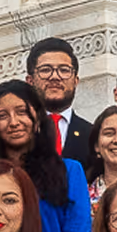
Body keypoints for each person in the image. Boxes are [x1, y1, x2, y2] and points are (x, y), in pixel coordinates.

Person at [0, 79, 92, 232]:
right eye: (3, 115)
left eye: (22, 112)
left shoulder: (69, 171)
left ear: (38, 118)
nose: (14, 122)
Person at [28, 38, 93, 167]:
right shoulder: (18, 130)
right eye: (45, 70)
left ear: (75, 80)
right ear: (30, 81)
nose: (55, 77)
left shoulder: (93, 134)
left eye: (64, 70)